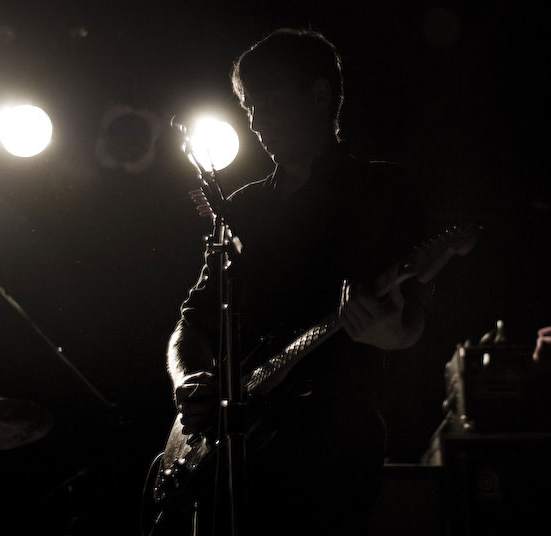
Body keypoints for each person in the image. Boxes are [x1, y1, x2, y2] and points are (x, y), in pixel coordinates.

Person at [165, 28, 428, 534]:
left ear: (320, 95)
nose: (255, 119)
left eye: (269, 100)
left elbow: (411, 323)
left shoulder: (382, 190)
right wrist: (189, 379)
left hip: (333, 444)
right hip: (233, 453)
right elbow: (192, 322)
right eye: (248, 107)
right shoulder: (242, 208)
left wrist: (387, 331)